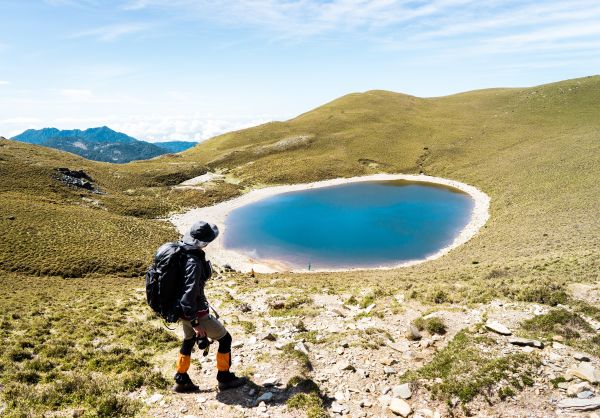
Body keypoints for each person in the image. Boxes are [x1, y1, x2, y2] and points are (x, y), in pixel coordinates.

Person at [173, 220, 246, 392]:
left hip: (183, 312)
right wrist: (196, 324)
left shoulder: (182, 253)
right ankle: (224, 377)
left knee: (189, 341)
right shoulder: (194, 263)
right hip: (195, 313)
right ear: (203, 243)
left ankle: (181, 379)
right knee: (225, 339)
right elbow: (189, 296)